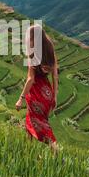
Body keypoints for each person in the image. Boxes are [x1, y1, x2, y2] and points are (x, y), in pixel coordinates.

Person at [15, 24, 59, 154]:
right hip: (47, 92)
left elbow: (31, 79)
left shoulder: (33, 54)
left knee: (39, 124)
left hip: (35, 93)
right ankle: (27, 150)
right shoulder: (50, 51)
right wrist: (54, 96)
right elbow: (55, 76)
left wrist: (20, 98)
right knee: (32, 120)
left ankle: (55, 148)